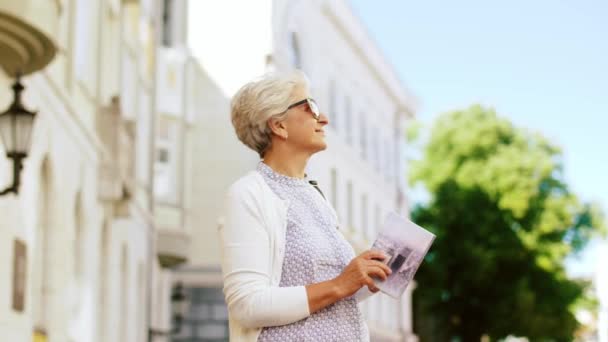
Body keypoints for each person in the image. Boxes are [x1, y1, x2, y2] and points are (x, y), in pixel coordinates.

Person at [219, 70, 391, 342]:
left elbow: (330, 296)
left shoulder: (315, 198)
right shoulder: (248, 194)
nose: (323, 118)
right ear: (278, 125)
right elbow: (247, 304)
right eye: (310, 107)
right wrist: (339, 284)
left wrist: (367, 277)